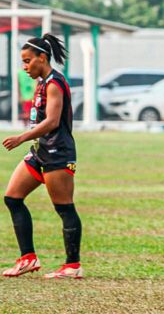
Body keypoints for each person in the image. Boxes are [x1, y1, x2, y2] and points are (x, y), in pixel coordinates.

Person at [2, 33, 83, 278]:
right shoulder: (42, 82)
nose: (24, 67)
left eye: (27, 61)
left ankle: (73, 265)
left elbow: (52, 121)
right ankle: (28, 258)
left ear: (42, 58)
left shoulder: (55, 83)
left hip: (58, 153)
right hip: (40, 152)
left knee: (64, 208)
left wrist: (20, 138)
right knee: (12, 198)